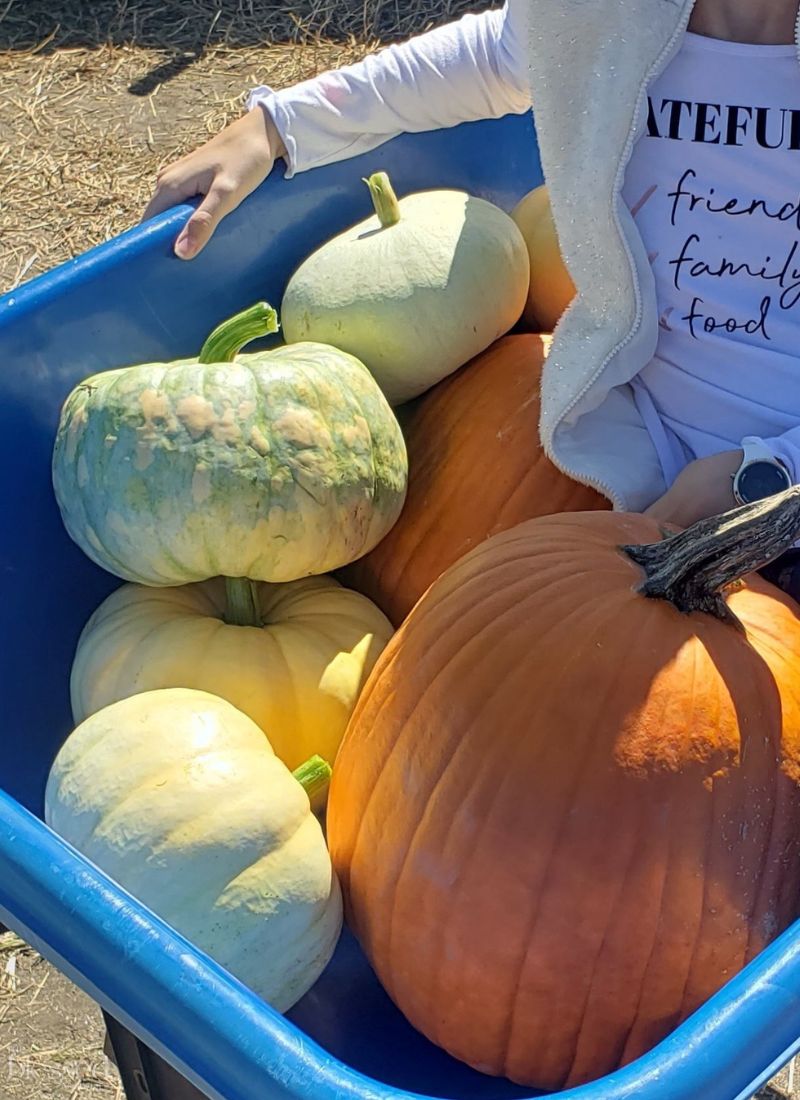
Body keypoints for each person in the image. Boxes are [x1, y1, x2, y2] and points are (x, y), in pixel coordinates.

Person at [143, 0, 800, 595]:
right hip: (629, 459)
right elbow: (489, 55)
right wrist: (277, 125)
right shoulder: (603, 17)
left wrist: (766, 477)